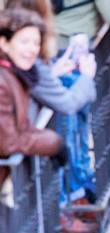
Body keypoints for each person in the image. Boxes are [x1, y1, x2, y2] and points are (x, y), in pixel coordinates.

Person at [0, 9, 65, 168]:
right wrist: (53, 144)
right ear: (4, 44)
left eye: (36, 43)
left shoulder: (17, 75)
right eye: (24, 42)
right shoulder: (3, 83)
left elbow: (22, 127)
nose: (32, 49)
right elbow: (8, 143)